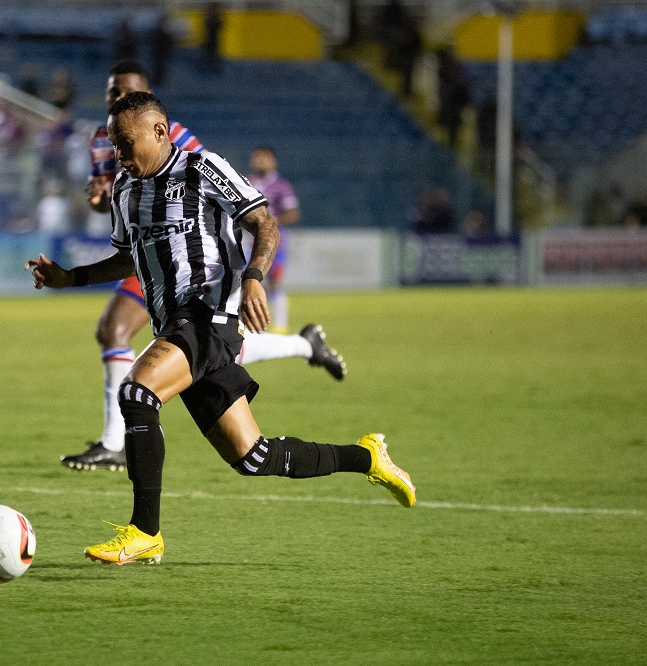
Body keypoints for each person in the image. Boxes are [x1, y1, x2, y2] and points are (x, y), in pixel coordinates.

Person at [27, 92, 416, 565]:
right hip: (175, 325)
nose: (120, 155)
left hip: (209, 317)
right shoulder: (126, 192)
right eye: (113, 145)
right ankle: (368, 457)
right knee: (253, 458)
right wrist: (72, 277)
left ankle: (144, 532)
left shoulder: (203, 168)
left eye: (126, 143)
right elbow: (129, 257)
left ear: (159, 132)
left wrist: (254, 279)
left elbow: (264, 224)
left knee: (136, 394)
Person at [66, 60, 346, 473]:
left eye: (127, 93)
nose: (119, 100)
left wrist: (250, 275)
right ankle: (307, 348)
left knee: (130, 348)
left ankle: (117, 452)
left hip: (192, 272)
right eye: (112, 93)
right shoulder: (102, 140)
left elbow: (193, 182)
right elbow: (115, 200)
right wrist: (96, 204)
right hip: (149, 258)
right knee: (252, 455)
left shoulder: (178, 140)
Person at [246, 146, 299, 334]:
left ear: (273, 161)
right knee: (249, 282)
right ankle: (254, 325)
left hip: (276, 245)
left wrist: (273, 221)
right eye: (257, 157)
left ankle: (280, 325)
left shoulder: (281, 186)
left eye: (264, 158)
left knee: (275, 283)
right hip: (251, 244)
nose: (260, 161)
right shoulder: (246, 182)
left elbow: (293, 213)